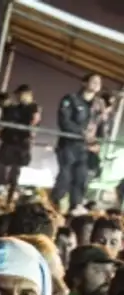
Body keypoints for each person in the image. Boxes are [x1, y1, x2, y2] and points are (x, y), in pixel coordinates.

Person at [51, 74, 103, 213]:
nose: (97, 84)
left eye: (99, 82)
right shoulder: (71, 100)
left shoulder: (99, 104)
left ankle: (75, 208)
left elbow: (102, 125)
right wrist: (81, 133)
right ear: (84, 82)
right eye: (94, 81)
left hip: (87, 149)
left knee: (81, 178)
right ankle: (55, 206)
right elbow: (64, 121)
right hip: (69, 145)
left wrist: (99, 142)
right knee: (65, 177)